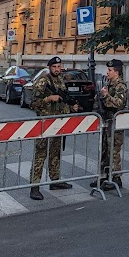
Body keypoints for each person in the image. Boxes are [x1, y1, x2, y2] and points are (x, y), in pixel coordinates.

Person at [29, 56, 80, 200]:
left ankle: (55, 180)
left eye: (59, 66)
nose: (57, 69)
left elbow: (63, 98)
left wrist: (71, 106)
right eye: (54, 67)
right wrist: (49, 99)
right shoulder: (43, 81)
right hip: (45, 123)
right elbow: (33, 103)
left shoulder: (60, 80)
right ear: (49, 67)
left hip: (58, 123)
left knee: (55, 153)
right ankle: (34, 187)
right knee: (40, 154)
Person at [98, 59, 129, 190]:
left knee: (114, 151)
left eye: (110, 70)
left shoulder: (120, 85)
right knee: (105, 149)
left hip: (115, 123)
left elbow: (119, 103)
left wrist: (106, 96)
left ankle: (116, 178)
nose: (107, 72)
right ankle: (103, 177)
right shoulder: (109, 83)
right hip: (107, 122)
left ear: (116, 72)